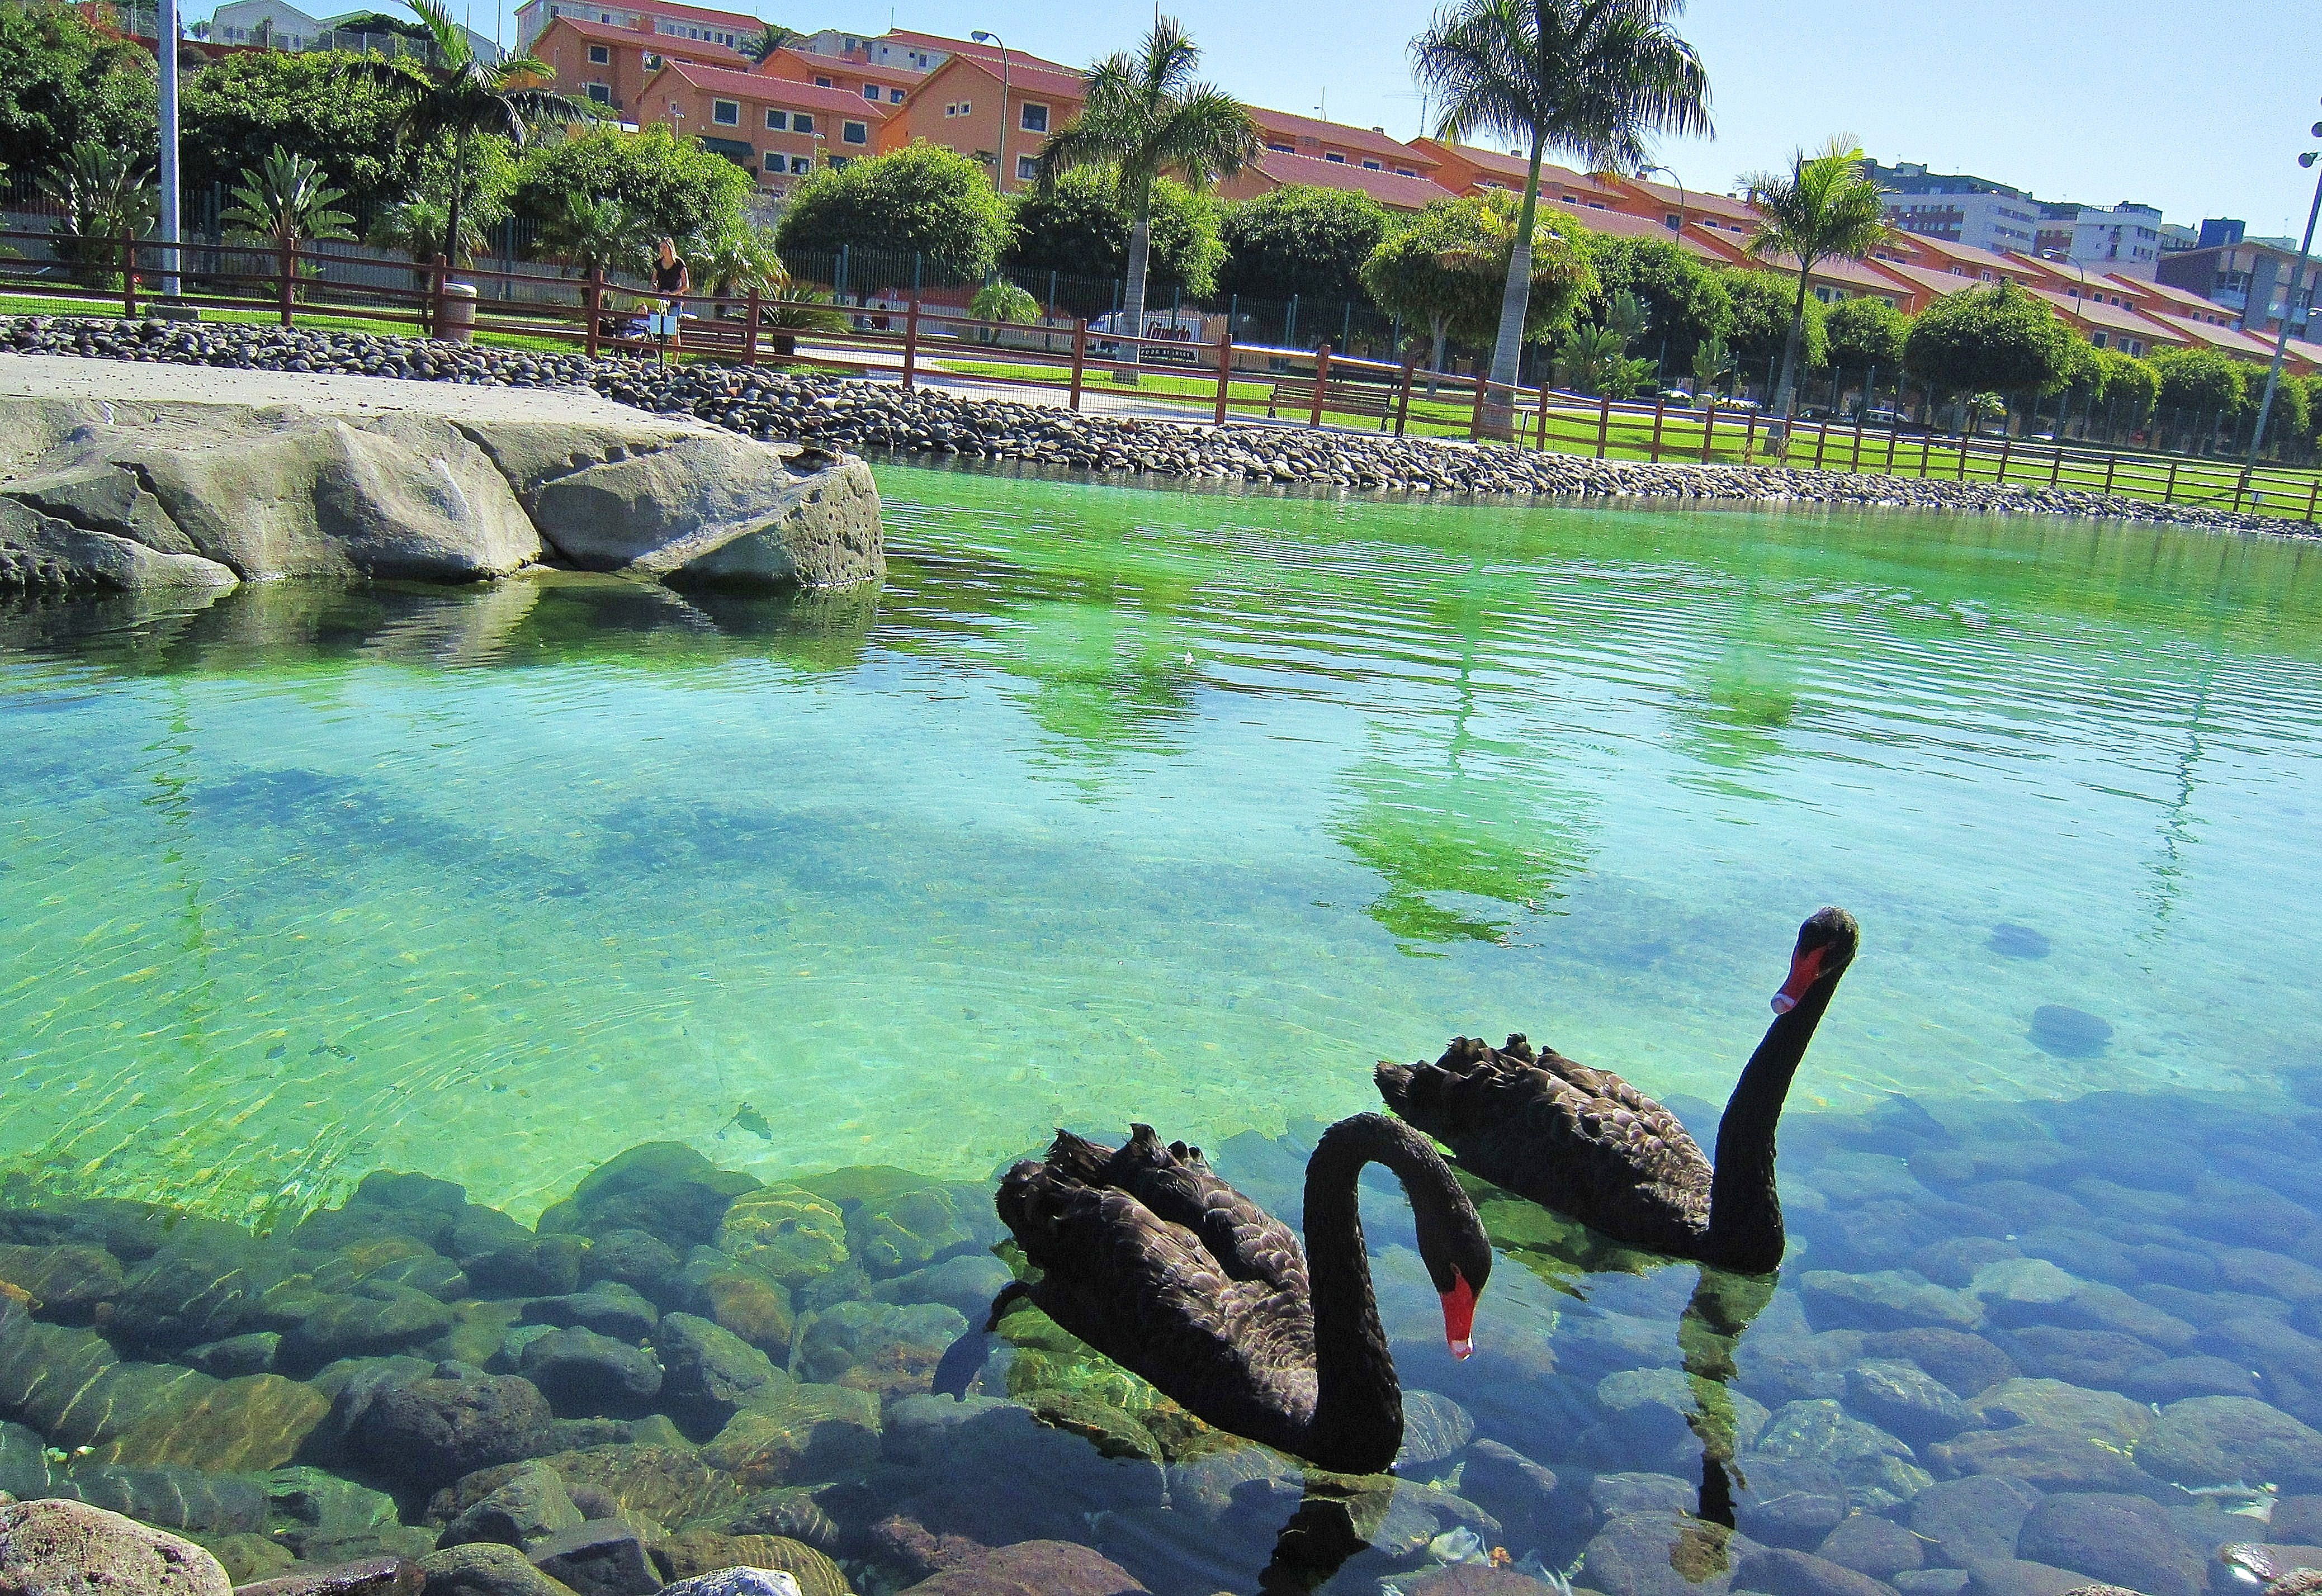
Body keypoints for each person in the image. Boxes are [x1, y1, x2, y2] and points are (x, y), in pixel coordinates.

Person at [652, 238, 690, 352]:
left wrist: (672, 294)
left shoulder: (679, 264)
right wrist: (655, 287)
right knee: (657, 327)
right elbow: (654, 280)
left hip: (675, 301)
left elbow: (686, 285)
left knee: (673, 329)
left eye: (665, 247)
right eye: (661, 247)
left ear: (670, 248)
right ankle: (658, 354)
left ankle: (675, 359)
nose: (663, 250)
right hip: (661, 300)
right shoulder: (658, 264)